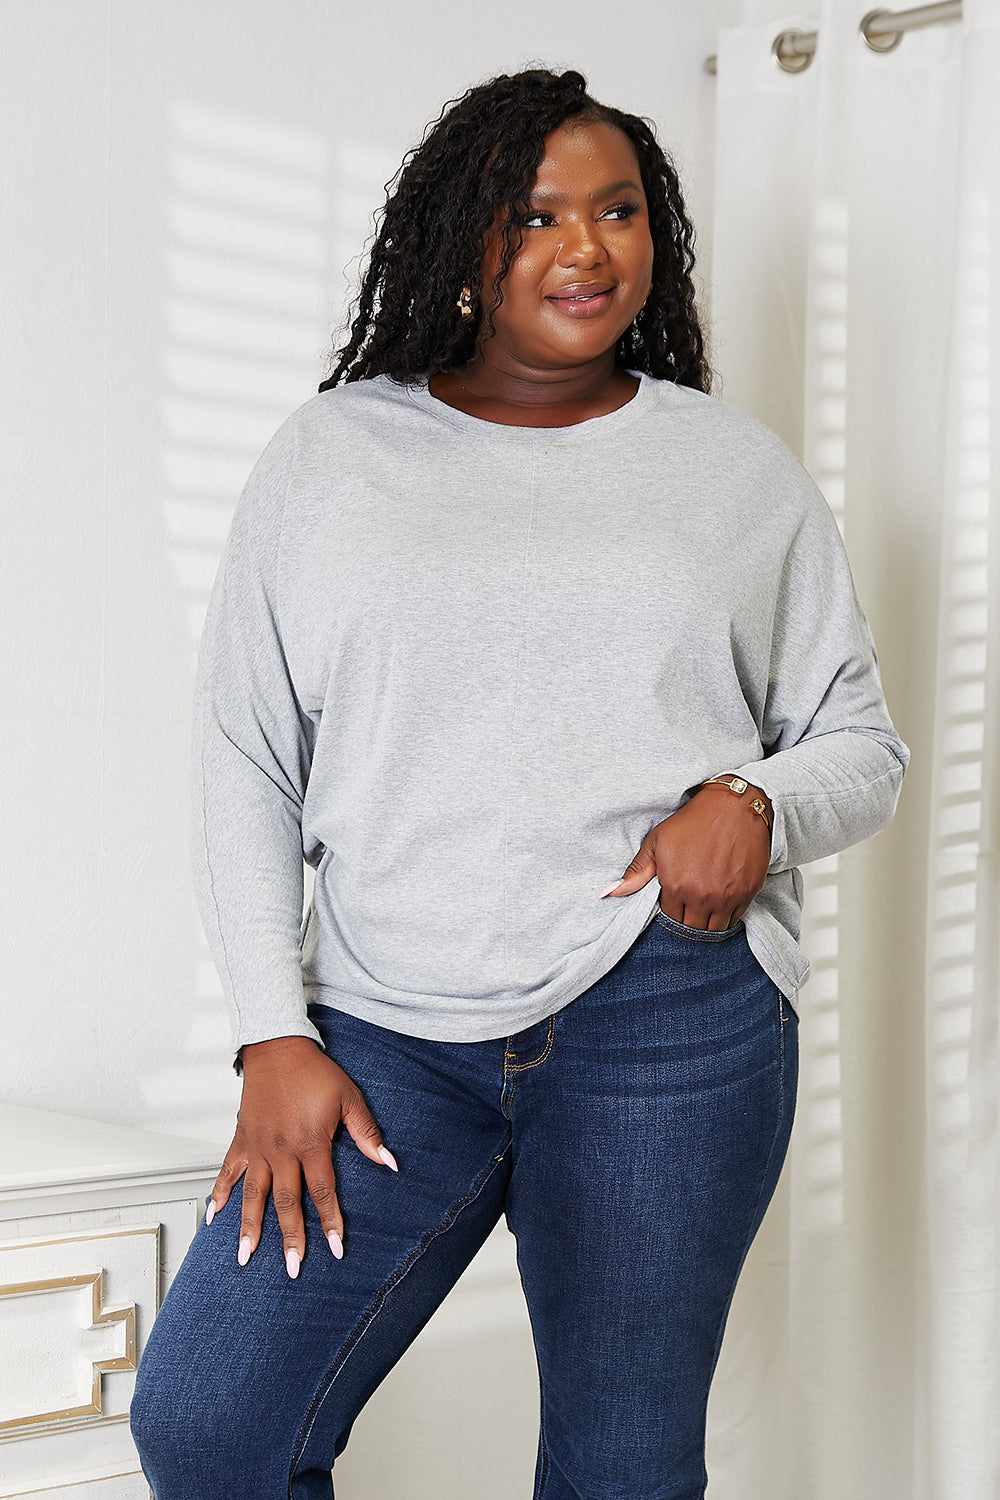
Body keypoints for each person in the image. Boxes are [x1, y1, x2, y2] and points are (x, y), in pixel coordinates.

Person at [129, 66, 909, 1500]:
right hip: (380, 1038)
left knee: (621, 1471)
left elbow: (863, 746)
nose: (587, 248)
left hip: (666, 1014)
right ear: (461, 239)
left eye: (618, 211)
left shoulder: (733, 472)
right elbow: (246, 756)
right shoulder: (333, 457)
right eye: (535, 213)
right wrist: (270, 1036)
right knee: (210, 1422)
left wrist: (755, 803)